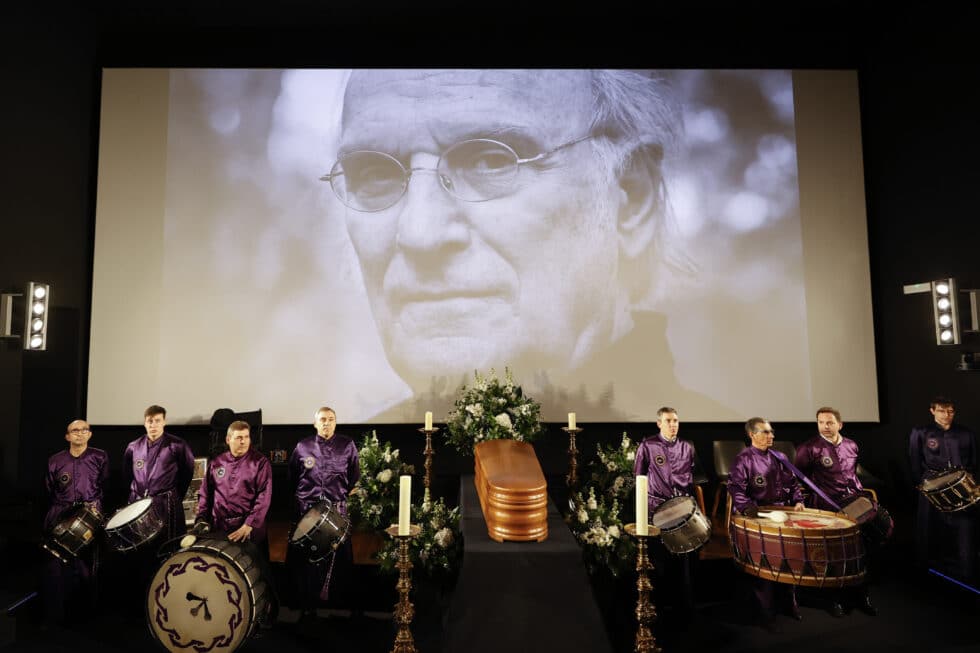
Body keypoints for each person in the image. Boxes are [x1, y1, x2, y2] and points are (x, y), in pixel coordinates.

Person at [327, 69, 741, 422]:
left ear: (630, 198)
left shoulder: (716, 470)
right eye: (374, 173)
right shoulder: (348, 480)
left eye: (492, 161)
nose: (420, 232)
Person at [794, 406, 878, 617]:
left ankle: (861, 596)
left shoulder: (852, 445)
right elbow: (796, 477)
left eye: (829, 422)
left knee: (860, 550)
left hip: (855, 504)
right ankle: (834, 599)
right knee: (833, 555)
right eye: (821, 422)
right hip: (827, 506)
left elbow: (853, 476)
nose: (825, 426)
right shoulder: (809, 448)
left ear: (840, 424)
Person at [195, 420, 276, 626]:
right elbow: (205, 494)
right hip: (220, 529)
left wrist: (249, 524)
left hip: (248, 529)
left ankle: (261, 616)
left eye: (247, 437)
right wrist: (201, 519)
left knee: (256, 575)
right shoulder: (217, 463)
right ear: (228, 439)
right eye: (239, 438)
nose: (244, 442)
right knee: (222, 574)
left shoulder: (260, 463)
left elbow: (263, 496)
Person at [728, 417, 805, 631]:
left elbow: (792, 483)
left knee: (789, 559)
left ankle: (789, 604)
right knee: (765, 563)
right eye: (766, 432)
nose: (771, 436)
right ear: (752, 435)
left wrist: (798, 500)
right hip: (757, 516)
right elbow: (736, 489)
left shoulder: (779, 456)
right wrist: (753, 511)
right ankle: (765, 611)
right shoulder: (742, 459)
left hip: (781, 515)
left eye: (771, 432)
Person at [287, 407, 360, 616]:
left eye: (330, 419)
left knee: (339, 557)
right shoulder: (303, 447)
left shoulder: (347, 445)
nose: (326, 423)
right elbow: (292, 476)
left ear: (336, 423)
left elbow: (354, 476)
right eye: (322, 420)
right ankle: (306, 605)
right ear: (315, 423)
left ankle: (339, 604)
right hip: (307, 510)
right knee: (306, 559)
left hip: (336, 508)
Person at [633, 406, 700, 620]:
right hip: (656, 510)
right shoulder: (648, 445)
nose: (673, 425)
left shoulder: (687, 447)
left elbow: (692, 478)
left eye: (676, 421)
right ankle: (658, 607)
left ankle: (684, 607)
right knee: (658, 560)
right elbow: (639, 476)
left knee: (683, 560)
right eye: (669, 420)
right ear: (659, 423)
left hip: (681, 511)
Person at [41, 419, 110, 626]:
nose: (80, 433)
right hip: (61, 514)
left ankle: (85, 615)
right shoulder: (55, 460)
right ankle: (57, 615)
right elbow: (49, 489)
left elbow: (104, 483)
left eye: (84, 430)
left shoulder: (100, 457)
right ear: (67, 436)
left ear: (89, 434)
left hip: (90, 517)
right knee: (57, 568)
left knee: (87, 568)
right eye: (75, 430)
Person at [908, 396, 977, 583]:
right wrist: (923, 485)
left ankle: (964, 568)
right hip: (931, 485)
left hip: (961, 486)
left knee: (963, 526)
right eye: (941, 410)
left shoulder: (966, 433)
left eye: (950, 411)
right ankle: (927, 567)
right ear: (932, 411)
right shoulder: (921, 432)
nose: (946, 415)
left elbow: (974, 461)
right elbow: (915, 462)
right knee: (929, 526)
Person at [122, 405, 196, 543]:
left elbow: (187, 471)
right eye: (150, 421)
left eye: (157, 420)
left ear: (164, 422)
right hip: (139, 504)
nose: (153, 425)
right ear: (145, 423)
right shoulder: (133, 447)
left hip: (167, 503)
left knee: (168, 544)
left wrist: (173, 494)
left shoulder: (177, 445)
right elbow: (127, 475)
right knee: (141, 545)